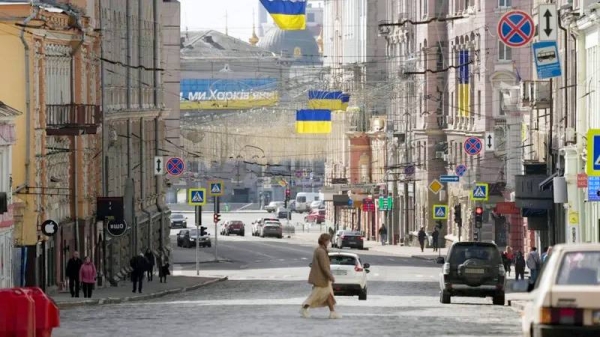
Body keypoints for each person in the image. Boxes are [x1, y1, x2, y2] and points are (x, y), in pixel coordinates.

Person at [300, 233, 341, 319]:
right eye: (328, 240)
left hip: (323, 278)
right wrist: (331, 276)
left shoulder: (320, 250)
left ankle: (332, 312)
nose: (329, 242)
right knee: (315, 295)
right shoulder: (321, 251)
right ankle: (304, 308)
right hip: (321, 279)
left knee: (329, 295)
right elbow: (324, 267)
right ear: (325, 241)